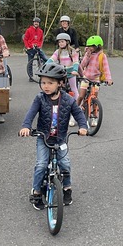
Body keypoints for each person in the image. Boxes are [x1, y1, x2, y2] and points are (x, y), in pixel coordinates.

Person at [18, 63, 88, 209]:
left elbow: (79, 114)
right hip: (43, 137)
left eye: (50, 83)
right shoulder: (40, 98)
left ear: (60, 83)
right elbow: (31, 113)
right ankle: (36, 192)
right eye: (43, 82)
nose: (46, 86)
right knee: (41, 165)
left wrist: (83, 126)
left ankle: (67, 188)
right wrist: (26, 126)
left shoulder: (68, 100)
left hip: (60, 138)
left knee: (65, 164)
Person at [78, 35, 113, 125]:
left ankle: (94, 116)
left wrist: (108, 79)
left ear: (98, 46)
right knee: (81, 95)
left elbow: (106, 68)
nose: (90, 48)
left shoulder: (102, 56)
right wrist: (87, 56)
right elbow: (82, 65)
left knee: (94, 97)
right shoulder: (87, 54)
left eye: (92, 46)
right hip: (86, 77)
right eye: (89, 46)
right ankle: (75, 113)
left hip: (96, 78)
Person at [47, 33, 80, 126]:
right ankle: (58, 113)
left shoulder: (72, 51)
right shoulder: (58, 52)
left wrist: (74, 70)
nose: (60, 43)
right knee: (58, 91)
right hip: (61, 73)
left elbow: (76, 61)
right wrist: (45, 66)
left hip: (70, 73)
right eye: (59, 42)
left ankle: (76, 113)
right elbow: (51, 60)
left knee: (74, 90)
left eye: (62, 41)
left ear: (67, 42)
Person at [24, 17, 48, 82]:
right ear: (33, 23)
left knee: (46, 59)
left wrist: (40, 46)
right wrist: (27, 46)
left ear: (39, 23)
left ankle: (45, 73)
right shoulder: (29, 30)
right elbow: (25, 39)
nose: (36, 23)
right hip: (30, 47)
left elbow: (41, 40)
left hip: (37, 47)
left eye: (37, 22)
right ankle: (30, 76)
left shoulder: (40, 31)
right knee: (30, 62)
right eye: (35, 22)